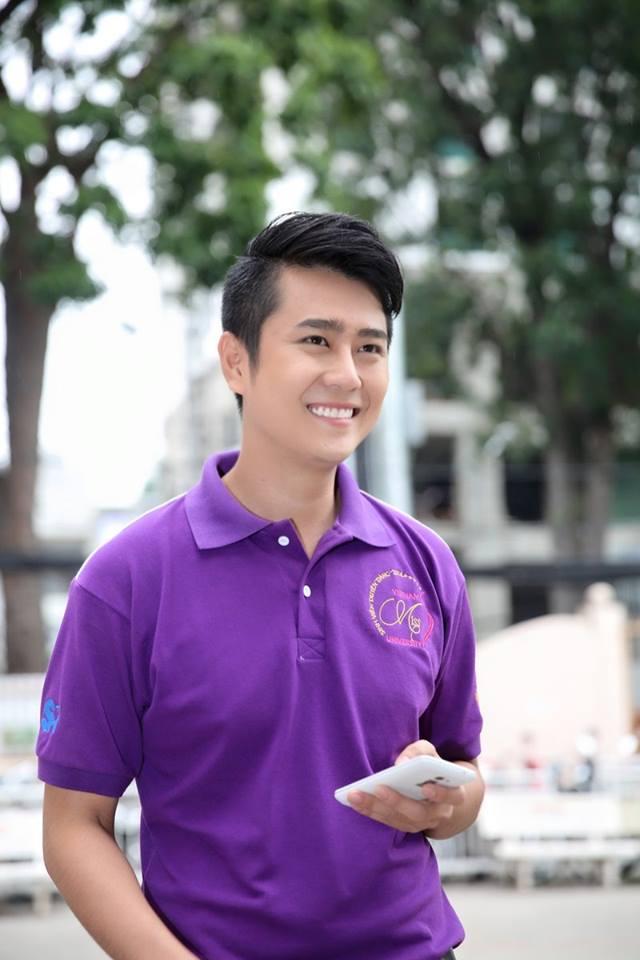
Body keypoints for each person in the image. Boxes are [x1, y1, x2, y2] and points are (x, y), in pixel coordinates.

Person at [36, 211, 484, 960]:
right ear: (236, 362)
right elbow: (73, 826)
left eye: (370, 347)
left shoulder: (425, 562)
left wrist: (445, 801)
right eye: (316, 341)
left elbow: (464, 771)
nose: (348, 375)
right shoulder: (126, 582)